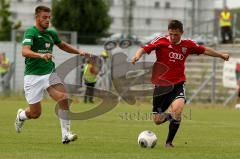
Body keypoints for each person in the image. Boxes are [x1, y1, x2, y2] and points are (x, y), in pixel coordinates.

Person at [131, 20, 230, 148]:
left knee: (178, 110)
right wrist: (137, 56)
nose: (173, 37)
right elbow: (143, 49)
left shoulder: (187, 45)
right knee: (157, 120)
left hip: (178, 84)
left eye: (176, 35)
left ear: (182, 33)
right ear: (168, 32)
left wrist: (221, 55)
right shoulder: (160, 41)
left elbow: (205, 50)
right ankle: (171, 117)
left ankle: (169, 143)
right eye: (171, 34)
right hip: (161, 86)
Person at [14, 5, 90, 144]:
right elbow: (25, 51)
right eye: (44, 17)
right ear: (36, 18)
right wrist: (40, 55)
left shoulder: (51, 33)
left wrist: (78, 52)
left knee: (63, 98)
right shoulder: (30, 32)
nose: (47, 20)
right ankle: (21, 116)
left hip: (49, 73)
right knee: (35, 114)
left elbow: (62, 45)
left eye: (49, 17)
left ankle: (65, 134)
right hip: (32, 77)